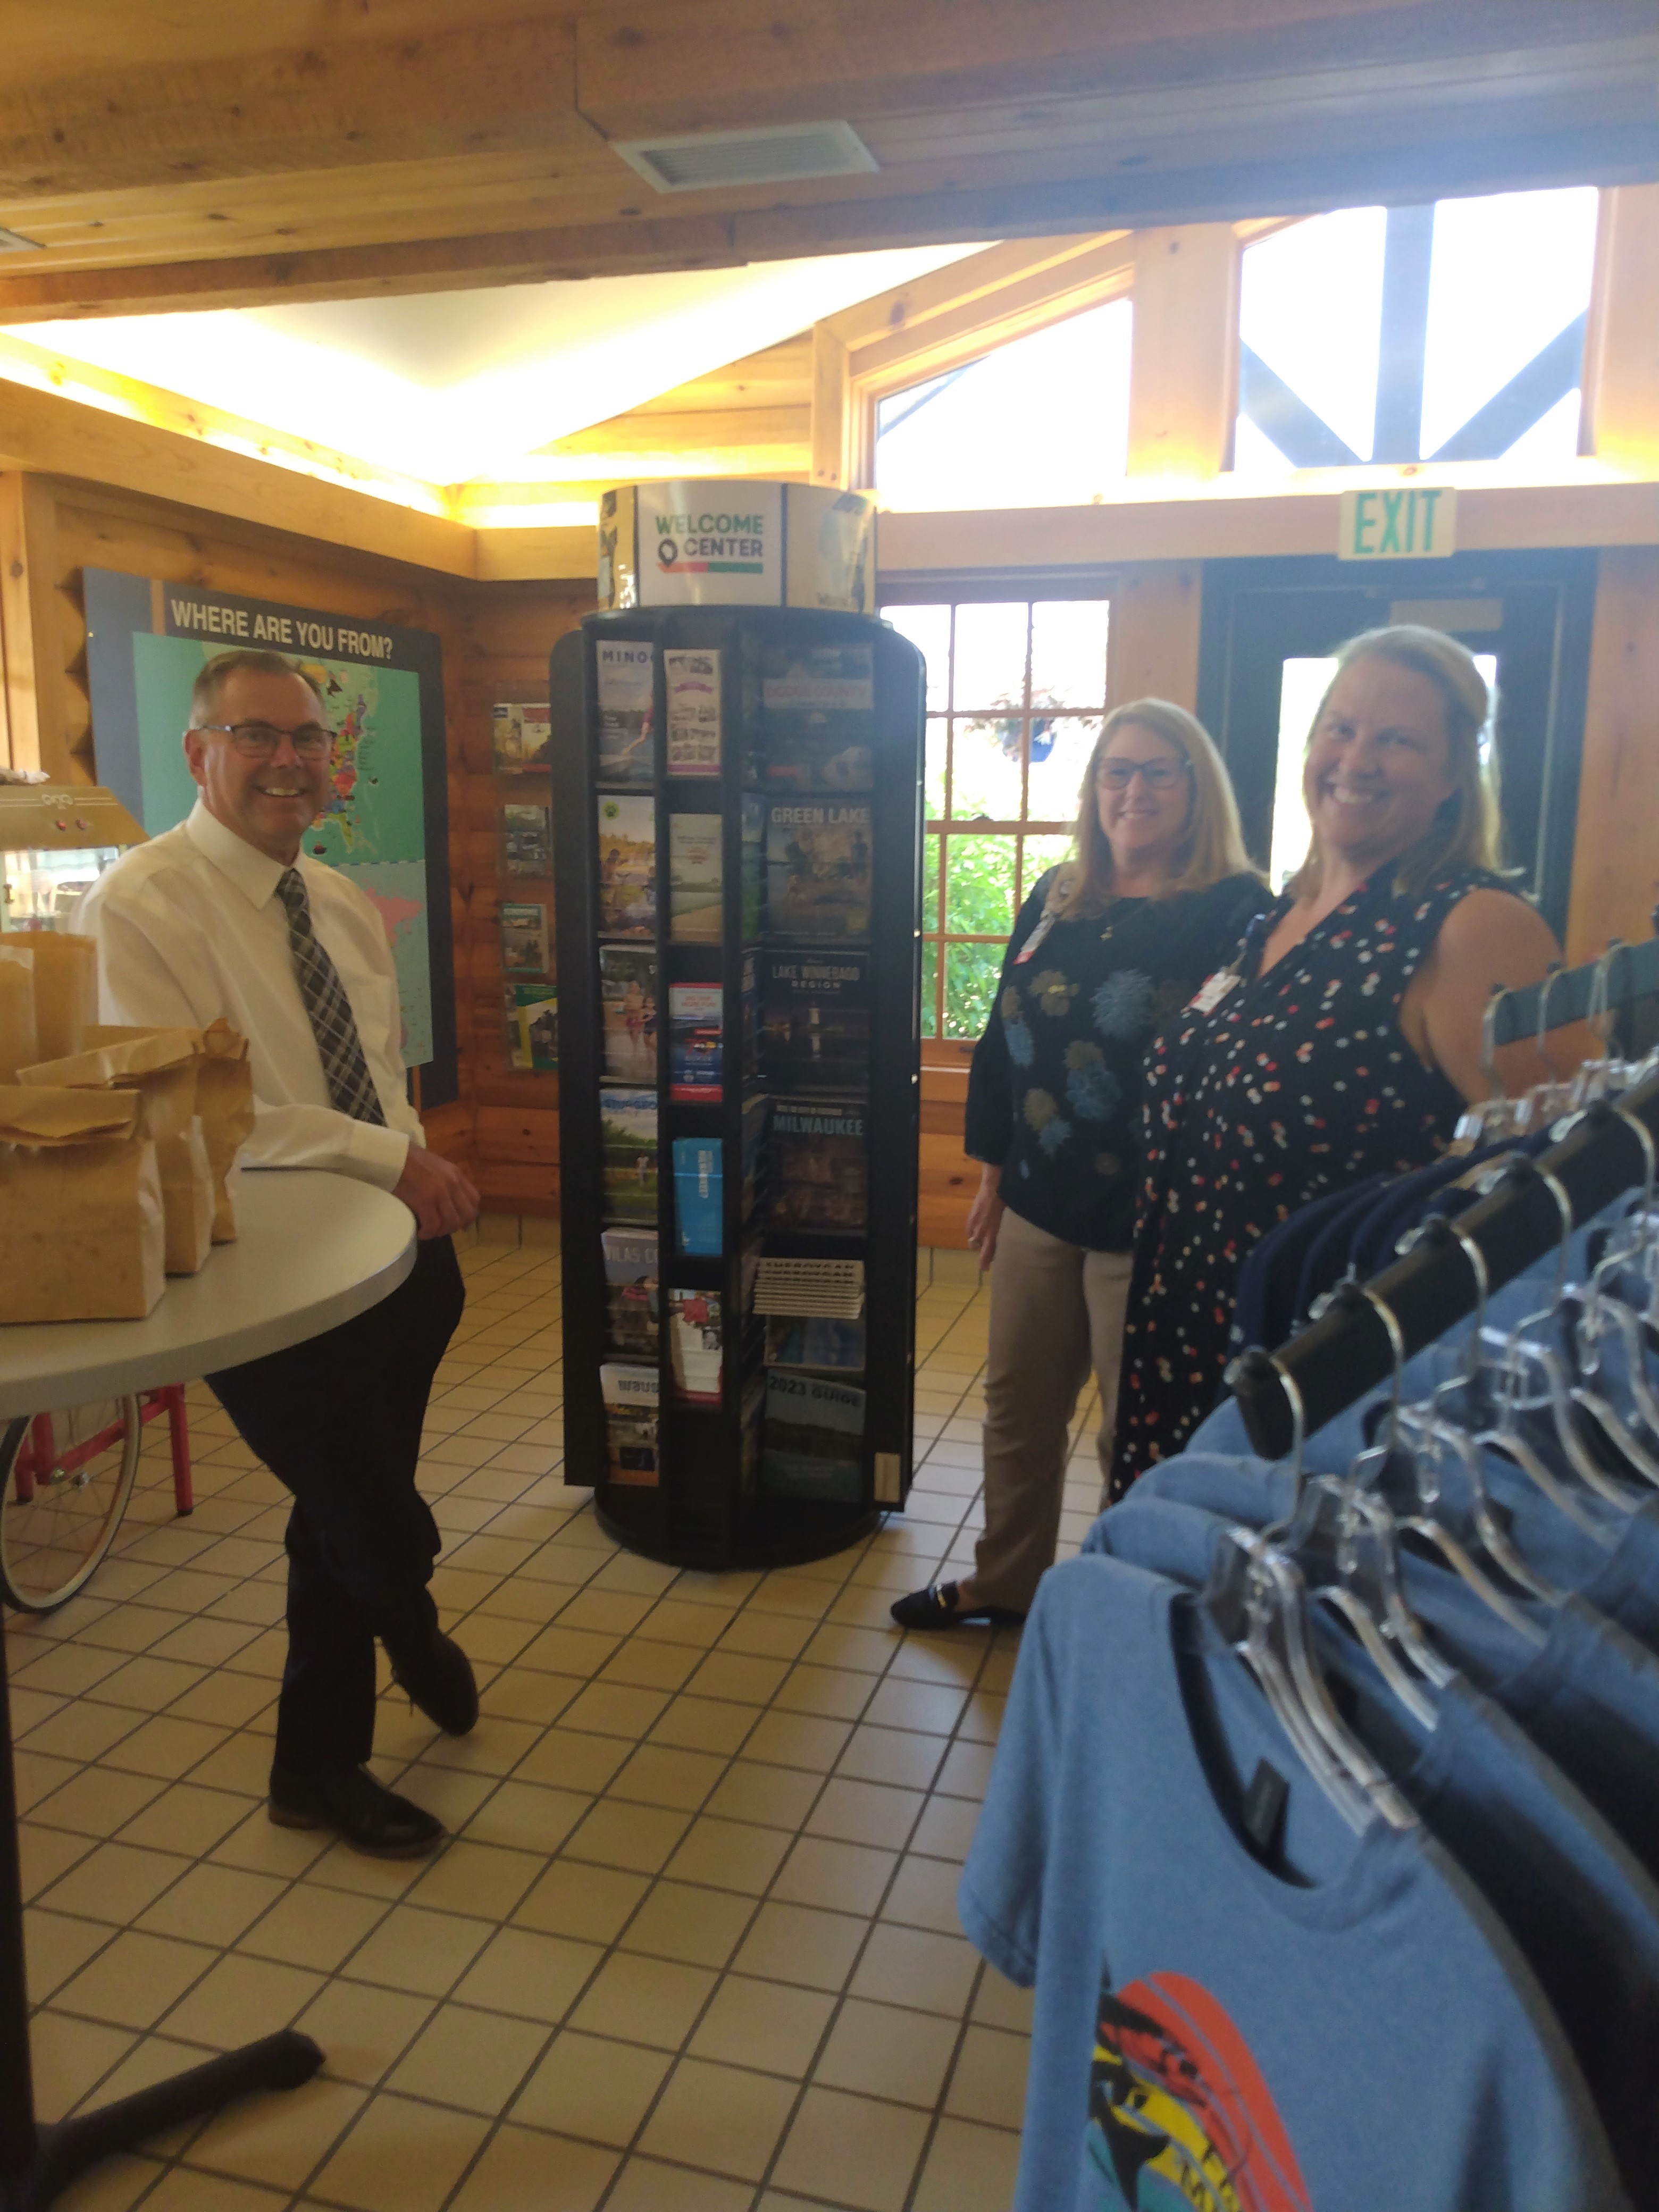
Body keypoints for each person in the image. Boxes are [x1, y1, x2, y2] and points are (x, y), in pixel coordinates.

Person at [77, 648, 482, 1858]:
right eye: (257, 736)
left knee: (333, 1514)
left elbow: (384, 1069)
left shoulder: (342, 902)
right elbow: (192, 1111)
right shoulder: (138, 909)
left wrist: (410, 1169)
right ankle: (411, 1630)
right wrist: (385, 1157)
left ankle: (314, 1767)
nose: (288, 761)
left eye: (307, 740)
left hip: (394, 1262)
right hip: (252, 1279)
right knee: (367, 1511)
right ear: (200, 753)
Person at [1109, 625, 1566, 1498]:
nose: (1357, 758)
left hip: (1335, 1388)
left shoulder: (1471, 926)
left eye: (1399, 739)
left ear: (1451, 778)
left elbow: (1563, 1196)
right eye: (1341, 728)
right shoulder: (1278, 917)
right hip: (1186, 1346)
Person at [891, 700, 1268, 1631]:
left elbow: (1238, 1074)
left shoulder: (1237, 911)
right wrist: (990, 1171)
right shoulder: (1061, 893)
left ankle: (1119, 1607)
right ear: (1095, 787)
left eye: (1157, 772)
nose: (1132, 791)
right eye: (1116, 772)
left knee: (1133, 1433)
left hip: (1151, 1219)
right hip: (1038, 1200)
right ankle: (1003, 1583)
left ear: (1196, 790)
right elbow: (1004, 1039)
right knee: (1018, 1409)